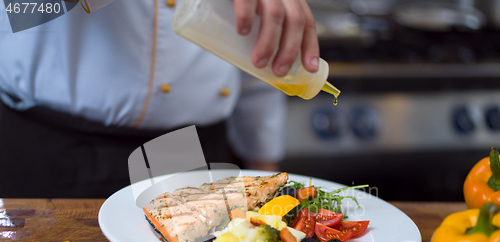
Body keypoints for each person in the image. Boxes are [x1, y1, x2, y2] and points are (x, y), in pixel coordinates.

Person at [0, 0, 320, 198]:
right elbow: (20, 8)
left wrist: (263, 168)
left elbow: (255, 51)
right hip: (49, 153)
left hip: (192, 158)